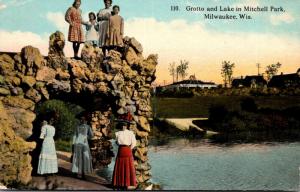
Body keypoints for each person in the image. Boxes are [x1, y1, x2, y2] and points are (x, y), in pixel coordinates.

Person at [112, 117, 137, 190]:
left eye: (125, 125)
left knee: (127, 167)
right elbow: (116, 142)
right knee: (119, 167)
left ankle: (126, 184)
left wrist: (129, 149)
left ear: (126, 126)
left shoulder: (130, 133)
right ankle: (119, 184)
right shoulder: (117, 133)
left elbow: (134, 143)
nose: (123, 127)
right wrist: (119, 144)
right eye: (122, 125)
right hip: (121, 150)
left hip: (127, 150)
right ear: (120, 126)